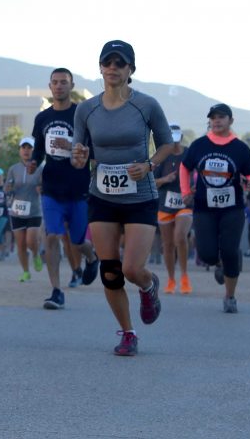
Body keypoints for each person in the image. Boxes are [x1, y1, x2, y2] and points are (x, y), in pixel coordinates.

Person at [71, 40, 173, 356]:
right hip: (102, 195)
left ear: (130, 70)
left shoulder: (147, 105)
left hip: (140, 194)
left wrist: (150, 165)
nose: (113, 68)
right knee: (111, 270)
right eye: (108, 62)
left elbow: (168, 144)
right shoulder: (86, 109)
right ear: (100, 67)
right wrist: (79, 156)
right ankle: (128, 332)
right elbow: (78, 156)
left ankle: (148, 285)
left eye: (120, 63)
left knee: (131, 268)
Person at [28, 68, 99, 310]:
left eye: (64, 82)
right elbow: (38, 149)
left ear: (71, 86)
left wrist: (69, 145)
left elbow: (94, 150)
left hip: (78, 188)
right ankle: (56, 291)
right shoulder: (42, 118)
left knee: (78, 242)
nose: (59, 86)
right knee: (53, 236)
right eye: (55, 82)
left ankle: (91, 258)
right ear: (50, 86)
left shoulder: (82, 115)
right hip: (51, 188)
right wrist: (33, 163)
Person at [181, 104, 250, 313]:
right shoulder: (199, 145)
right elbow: (184, 167)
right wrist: (185, 191)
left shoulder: (240, 148)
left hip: (232, 208)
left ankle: (230, 296)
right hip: (204, 207)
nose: (217, 121)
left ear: (230, 121)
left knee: (230, 251)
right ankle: (217, 262)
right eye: (213, 117)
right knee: (206, 253)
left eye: (221, 117)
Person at [155, 122, 194, 294]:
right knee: (168, 244)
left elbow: (199, 174)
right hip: (165, 204)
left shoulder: (188, 154)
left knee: (180, 237)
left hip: (184, 203)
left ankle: (184, 276)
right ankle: (171, 279)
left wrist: (193, 188)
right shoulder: (161, 157)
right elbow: (151, 182)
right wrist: (165, 179)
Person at [7, 137, 44, 283]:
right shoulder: (13, 169)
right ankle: (26, 271)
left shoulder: (40, 168)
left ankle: (35, 255)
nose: (26, 151)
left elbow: (45, 186)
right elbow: (6, 188)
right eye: (24, 147)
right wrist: (9, 188)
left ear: (34, 151)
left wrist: (41, 188)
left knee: (30, 241)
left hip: (34, 210)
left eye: (29, 148)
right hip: (17, 211)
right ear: (19, 151)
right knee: (20, 244)